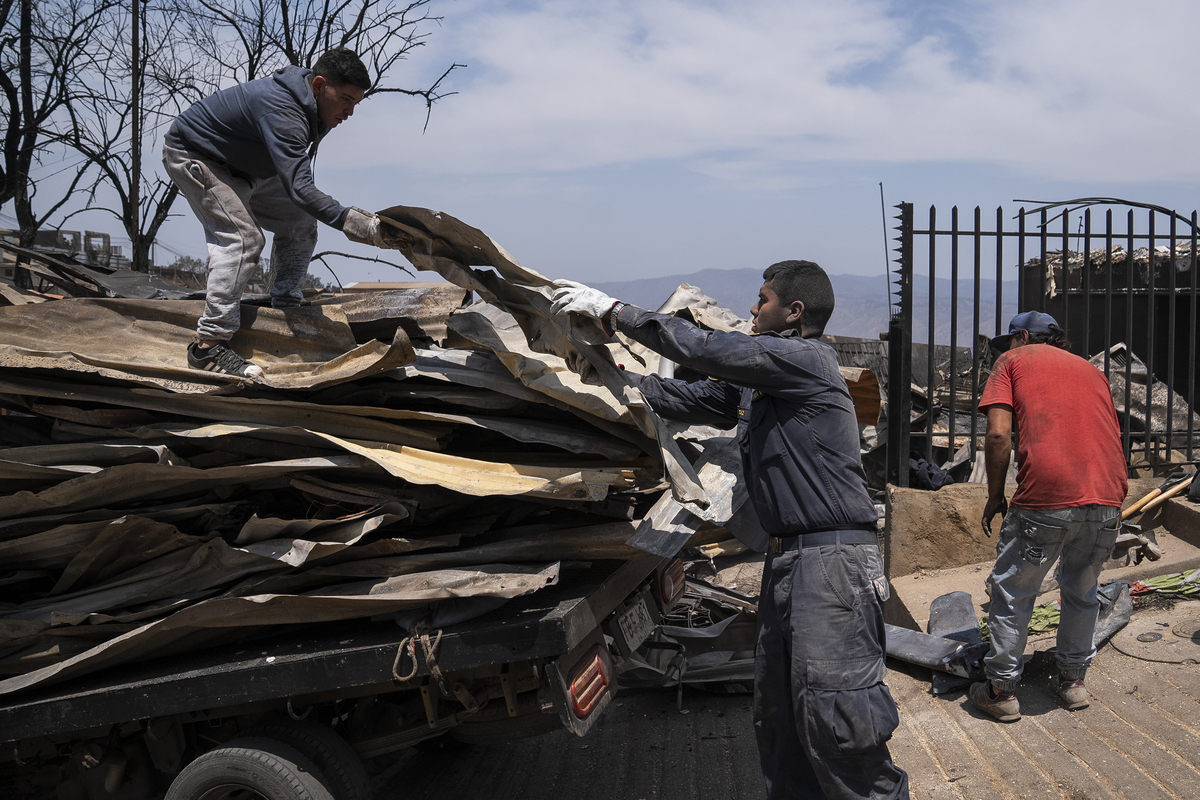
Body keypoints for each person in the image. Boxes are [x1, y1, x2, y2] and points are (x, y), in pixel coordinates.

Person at [552, 262, 909, 800]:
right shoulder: (760, 384)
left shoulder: (805, 359)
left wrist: (616, 313)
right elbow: (691, 399)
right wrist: (607, 378)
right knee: (781, 721)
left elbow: (708, 349)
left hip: (833, 564)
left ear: (794, 313)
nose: (751, 309)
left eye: (761, 299)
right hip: (790, 561)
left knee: (839, 724)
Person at [163, 47, 391, 379]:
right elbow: (301, 188)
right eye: (345, 99)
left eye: (356, 103)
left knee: (300, 223)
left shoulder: (314, 110)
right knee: (244, 240)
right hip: (198, 155)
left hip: (248, 168)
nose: (349, 111)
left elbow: (298, 188)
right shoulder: (283, 109)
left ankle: (285, 304)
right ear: (318, 85)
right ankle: (208, 345)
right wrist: (362, 226)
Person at [971, 311, 1127, 722]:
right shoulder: (1092, 371)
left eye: (1011, 341)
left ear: (1022, 336)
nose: (1006, 349)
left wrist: (994, 496)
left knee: (1013, 592)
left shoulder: (1012, 361)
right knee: (1082, 590)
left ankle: (1001, 689)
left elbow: (998, 434)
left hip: (1048, 497)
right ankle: (1072, 683)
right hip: (1108, 494)